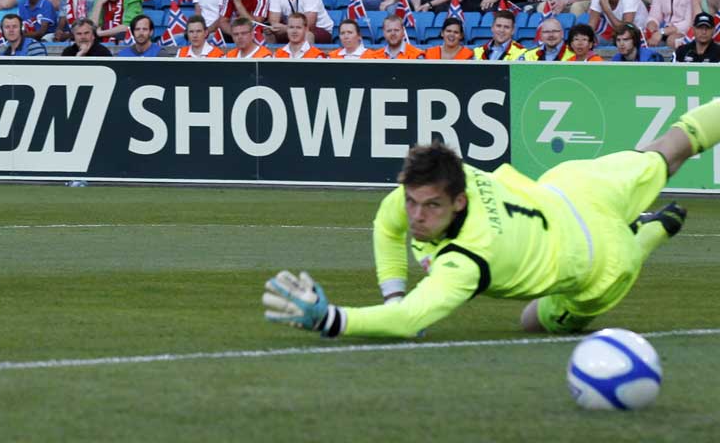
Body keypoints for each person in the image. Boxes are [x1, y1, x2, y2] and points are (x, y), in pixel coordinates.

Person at [263, 92, 720, 338]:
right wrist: (393, 294)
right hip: (574, 188)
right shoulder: (442, 181)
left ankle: (645, 236)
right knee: (665, 151)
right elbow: (387, 224)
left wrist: (332, 319)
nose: (417, 216)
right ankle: (648, 220)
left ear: (458, 201)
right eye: (412, 203)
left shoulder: (466, 261)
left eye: (431, 207)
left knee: (532, 321)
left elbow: (409, 322)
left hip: (600, 258)